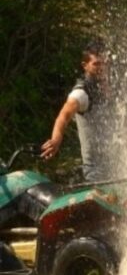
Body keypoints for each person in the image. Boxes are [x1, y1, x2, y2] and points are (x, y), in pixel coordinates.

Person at [41, 41, 115, 181]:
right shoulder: (81, 93)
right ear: (85, 66)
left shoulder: (111, 86)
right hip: (97, 172)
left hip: (118, 165)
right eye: (97, 64)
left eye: (105, 63)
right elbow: (64, 116)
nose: (102, 67)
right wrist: (56, 139)